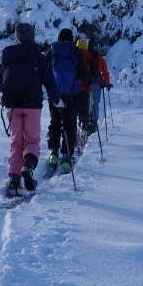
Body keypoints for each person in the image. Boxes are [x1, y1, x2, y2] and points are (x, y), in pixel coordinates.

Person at [0, 21, 58, 198]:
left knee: (16, 143)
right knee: (32, 141)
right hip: (32, 106)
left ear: (18, 37)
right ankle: (28, 167)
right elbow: (50, 83)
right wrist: (57, 101)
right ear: (32, 36)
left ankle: (14, 180)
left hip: (12, 106)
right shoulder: (39, 57)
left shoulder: (9, 55)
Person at [45, 27, 83, 175]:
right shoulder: (75, 50)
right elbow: (83, 72)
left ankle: (53, 153)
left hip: (54, 94)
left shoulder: (52, 49)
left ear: (59, 38)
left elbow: (44, 69)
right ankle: (67, 156)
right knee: (70, 124)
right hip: (71, 95)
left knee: (55, 122)